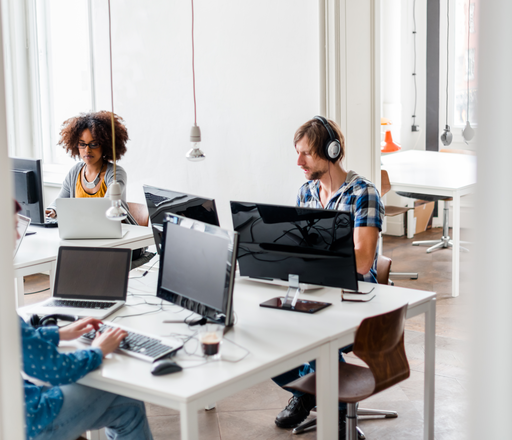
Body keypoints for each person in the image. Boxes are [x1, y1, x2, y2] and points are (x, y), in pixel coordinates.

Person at [272, 116, 385, 438]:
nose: (299, 162)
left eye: (306, 153)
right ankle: (308, 391)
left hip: (357, 291)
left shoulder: (364, 193)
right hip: (314, 285)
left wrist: (313, 258)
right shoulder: (306, 192)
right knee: (265, 329)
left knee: (317, 327)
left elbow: (362, 262)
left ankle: (333, 408)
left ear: (331, 151)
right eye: (298, 153)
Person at [14, 201, 154, 440]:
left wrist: (59, 333)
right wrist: (98, 351)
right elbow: (53, 370)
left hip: (17, 407)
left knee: (128, 406)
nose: (18, 234)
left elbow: (14, 341)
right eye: (12, 226)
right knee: (125, 395)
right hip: (29, 422)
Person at [45, 111, 129, 218]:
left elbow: (106, 209)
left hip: (111, 231)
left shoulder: (116, 174)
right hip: (81, 231)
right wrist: (53, 210)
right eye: (82, 144)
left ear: (105, 145)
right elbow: (59, 201)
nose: (87, 150)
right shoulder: (75, 171)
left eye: (94, 144)